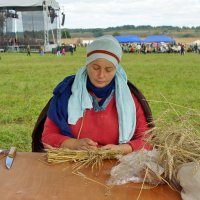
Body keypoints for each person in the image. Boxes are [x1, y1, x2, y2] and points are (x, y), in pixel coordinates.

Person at [42, 35, 152, 154]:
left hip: (116, 166)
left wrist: (121, 149)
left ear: (116, 69)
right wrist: (74, 144)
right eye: (95, 68)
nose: (101, 75)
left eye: (109, 70)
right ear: (87, 64)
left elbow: (147, 141)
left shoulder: (129, 99)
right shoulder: (66, 93)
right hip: (73, 164)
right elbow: (48, 136)